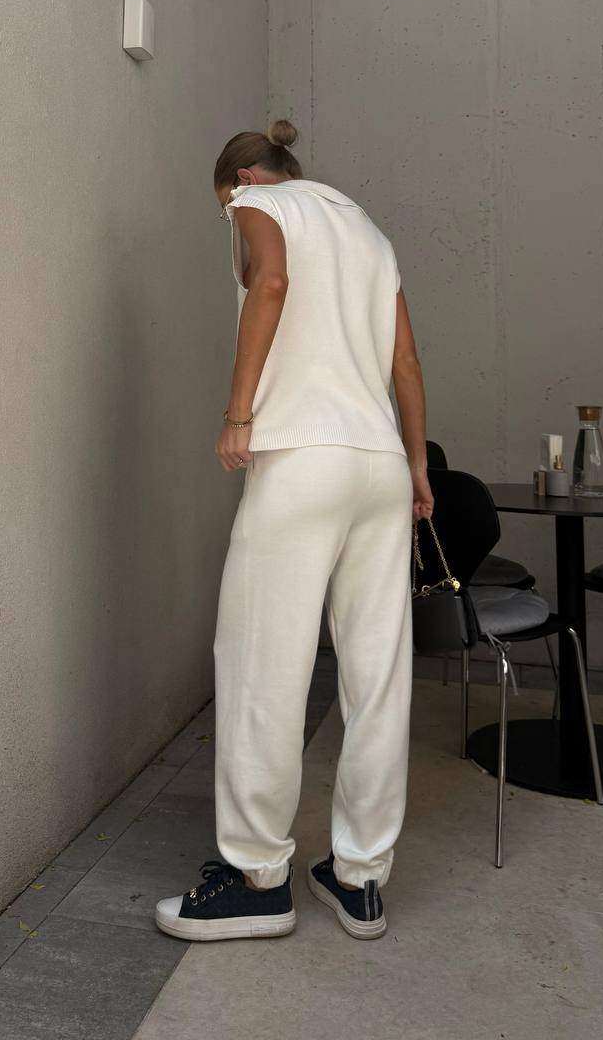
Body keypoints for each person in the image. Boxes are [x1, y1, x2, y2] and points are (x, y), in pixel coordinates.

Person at [155, 120, 433, 943]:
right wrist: (417, 465)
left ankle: (255, 879)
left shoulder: (254, 201)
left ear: (243, 176)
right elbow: (405, 362)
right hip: (378, 462)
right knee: (377, 673)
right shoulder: (366, 227)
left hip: (301, 455)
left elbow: (269, 283)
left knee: (261, 666)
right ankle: (360, 881)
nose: (228, 219)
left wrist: (239, 411)